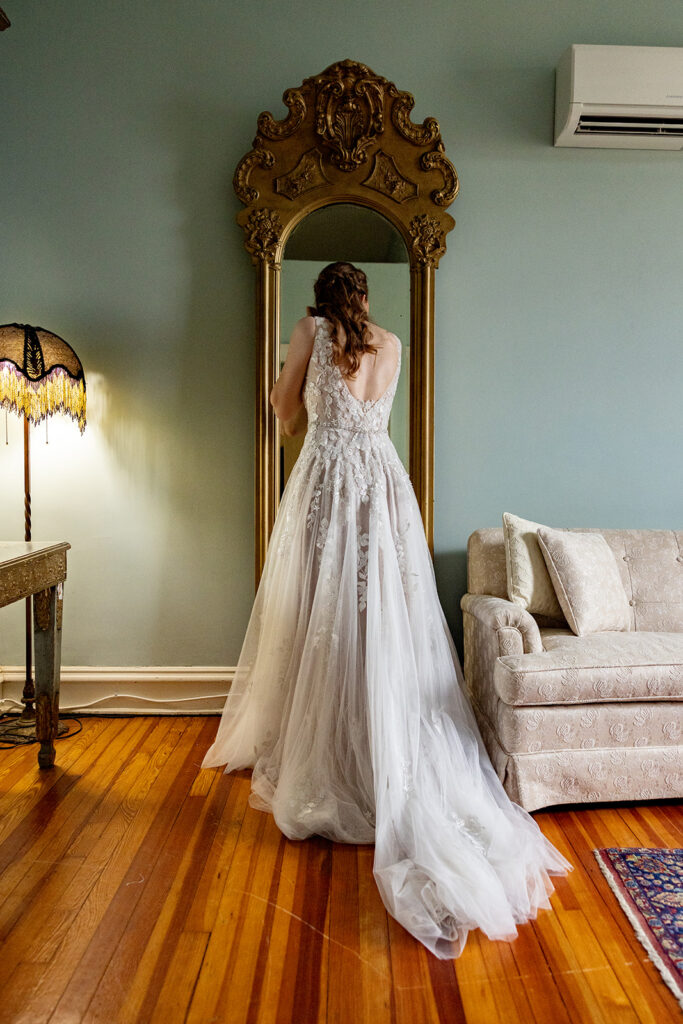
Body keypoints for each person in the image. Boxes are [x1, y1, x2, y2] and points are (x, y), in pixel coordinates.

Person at [202, 261, 570, 958]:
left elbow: (283, 411)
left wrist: (293, 376)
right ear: (365, 298)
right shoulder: (393, 344)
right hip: (381, 487)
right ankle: (378, 736)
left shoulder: (309, 330)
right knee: (382, 618)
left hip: (325, 485)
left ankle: (333, 748)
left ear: (321, 300)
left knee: (321, 609)